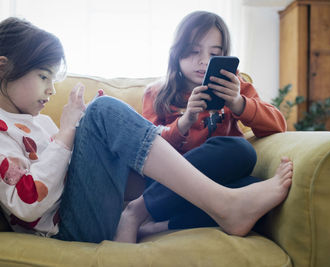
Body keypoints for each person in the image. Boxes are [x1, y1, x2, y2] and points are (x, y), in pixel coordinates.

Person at [0, 17, 293, 245]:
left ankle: (217, 206)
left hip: (96, 204)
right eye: (43, 77)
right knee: (105, 111)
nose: (49, 90)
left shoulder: (37, 121)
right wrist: (68, 133)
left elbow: (68, 171)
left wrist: (85, 132)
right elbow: (29, 202)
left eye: (52, 79)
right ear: (2, 68)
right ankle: (222, 205)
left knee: (251, 183)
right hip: (65, 228)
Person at [115, 11, 289, 242]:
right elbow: (145, 149)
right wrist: (185, 121)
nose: (203, 60)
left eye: (214, 54)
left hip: (212, 188)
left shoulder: (235, 88)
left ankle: (160, 227)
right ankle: (138, 210)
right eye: (194, 51)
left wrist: (238, 103)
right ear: (177, 54)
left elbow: (278, 125)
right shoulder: (157, 93)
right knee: (242, 151)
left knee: (253, 185)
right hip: (165, 188)